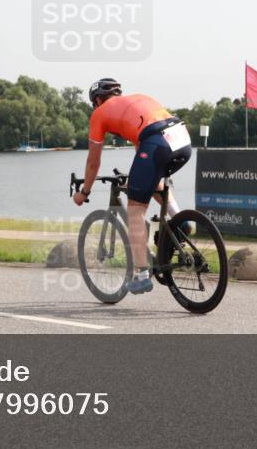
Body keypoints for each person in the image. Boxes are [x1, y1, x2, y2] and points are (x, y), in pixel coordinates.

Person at [72, 78, 192, 294]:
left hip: (157, 141)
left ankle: (142, 274)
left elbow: (93, 161)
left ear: (98, 99)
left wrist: (84, 192)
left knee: (136, 208)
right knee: (151, 183)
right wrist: (136, 181)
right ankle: (180, 220)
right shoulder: (139, 98)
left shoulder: (100, 113)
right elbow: (144, 153)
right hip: (181, 138)